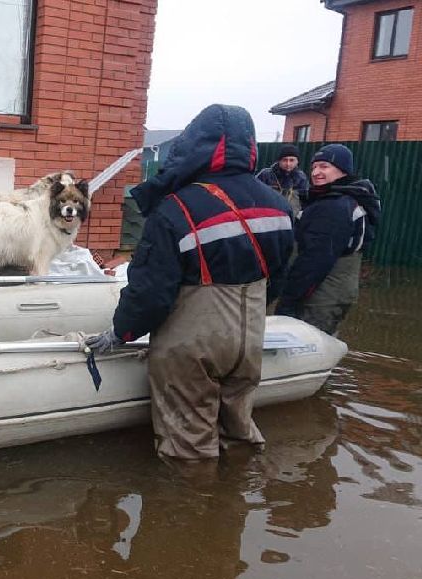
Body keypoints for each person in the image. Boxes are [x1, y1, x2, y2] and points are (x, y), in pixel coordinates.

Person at [85, 104, 294, 461]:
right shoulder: (279, 205)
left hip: (194, 344)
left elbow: (150, 290)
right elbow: (279, 277)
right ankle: (236, 506)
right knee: (238, 432)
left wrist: (121, 332)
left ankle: (190, 511)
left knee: (189, 449)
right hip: (249, 337)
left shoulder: (176, 208)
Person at [274, 144, 381, 336]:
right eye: (314, 167)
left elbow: (314, 261)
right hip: (333, 293)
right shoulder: (337, 200)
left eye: (324, 166)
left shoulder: (334, 207)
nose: (316, 172)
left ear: (343, 170)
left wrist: (288, 301)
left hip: (320, 297)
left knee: (301, 351)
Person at [256, 144, 309, 216]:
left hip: (291, 219)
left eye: (291, 160)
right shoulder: (266, 175)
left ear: (297, 161)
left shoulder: (301, 177)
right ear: (279, 161)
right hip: (267, 217)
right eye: (285, 160)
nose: (288, 164)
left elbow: (305, 201)